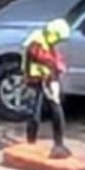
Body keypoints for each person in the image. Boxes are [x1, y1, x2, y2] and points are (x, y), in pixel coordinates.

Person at [21, 18, 71, 158]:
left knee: (51, 110)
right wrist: (56, 64)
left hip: (47, 79)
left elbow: (53, 56)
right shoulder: (37, 41)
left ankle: (58, 144)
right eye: (58, 39)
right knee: (35, 114)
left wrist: (59, 64)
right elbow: (38, 55)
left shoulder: (47, 41)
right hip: (38, 80)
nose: (58, 42)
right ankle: (33, 144)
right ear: (53, 34)